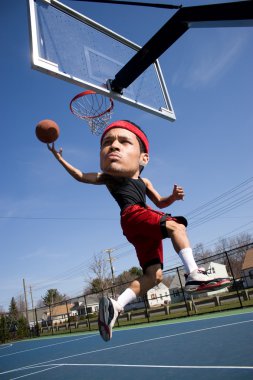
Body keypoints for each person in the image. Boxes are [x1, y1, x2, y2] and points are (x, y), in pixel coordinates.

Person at [48, 119, 230, 342]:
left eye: (123, 141)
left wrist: (172, 197)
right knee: (176, 226)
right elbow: (79, 175)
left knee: (154, 275)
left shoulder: (145, 181)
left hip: (139, 224)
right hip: (133, 214)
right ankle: (193, 274)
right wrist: (59, 158)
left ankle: (116, 305)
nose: (113, 146)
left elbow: (160, 203)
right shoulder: (109, 178)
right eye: (107, 143)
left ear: (144, 158)